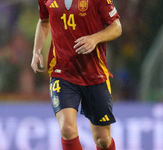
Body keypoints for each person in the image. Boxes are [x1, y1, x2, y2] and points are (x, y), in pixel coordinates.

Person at [31, 0, 122, 149]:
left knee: (103, 140)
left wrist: (95, 38)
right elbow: (44, 20)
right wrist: (36, 50)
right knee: (67, 128)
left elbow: (117, 27)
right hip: (62, 71)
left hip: (94, 73)